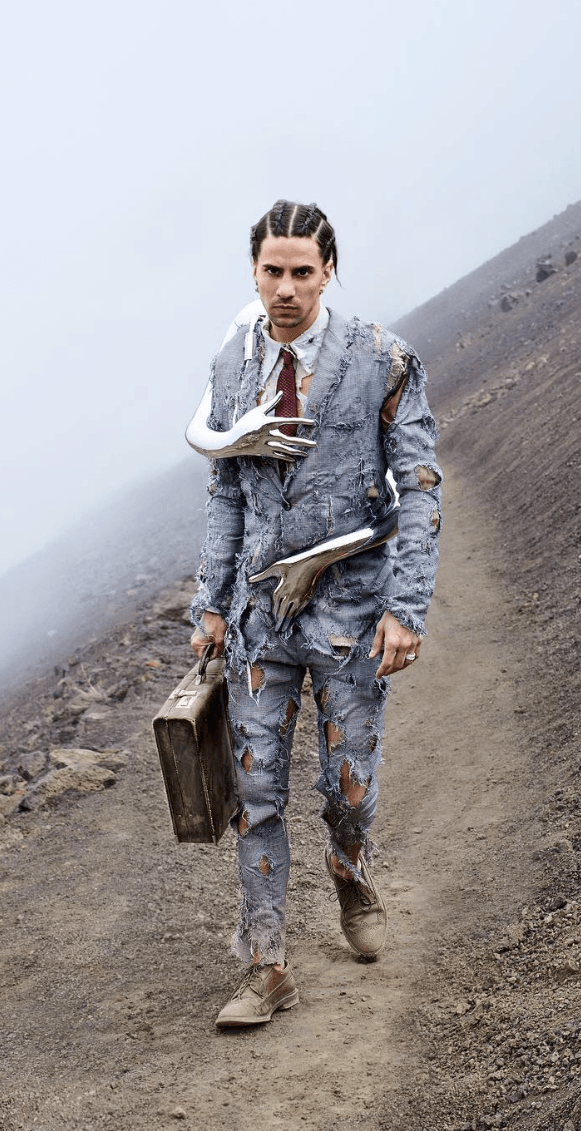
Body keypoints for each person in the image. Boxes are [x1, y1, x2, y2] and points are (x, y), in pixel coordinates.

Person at [185, 199, 441, 1028]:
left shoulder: (382, 359)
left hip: (353, 612)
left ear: (329, 270)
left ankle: (351, 868)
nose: (286, 288)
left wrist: (405, 608)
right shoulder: (231, 369)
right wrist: (211, 605)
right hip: (261, 621)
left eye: (302, 271)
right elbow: (224, 491)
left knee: (346, 788)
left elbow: (421, 485)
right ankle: (266, 966)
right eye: (272, 271)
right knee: (255, 793)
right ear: (253, 273)